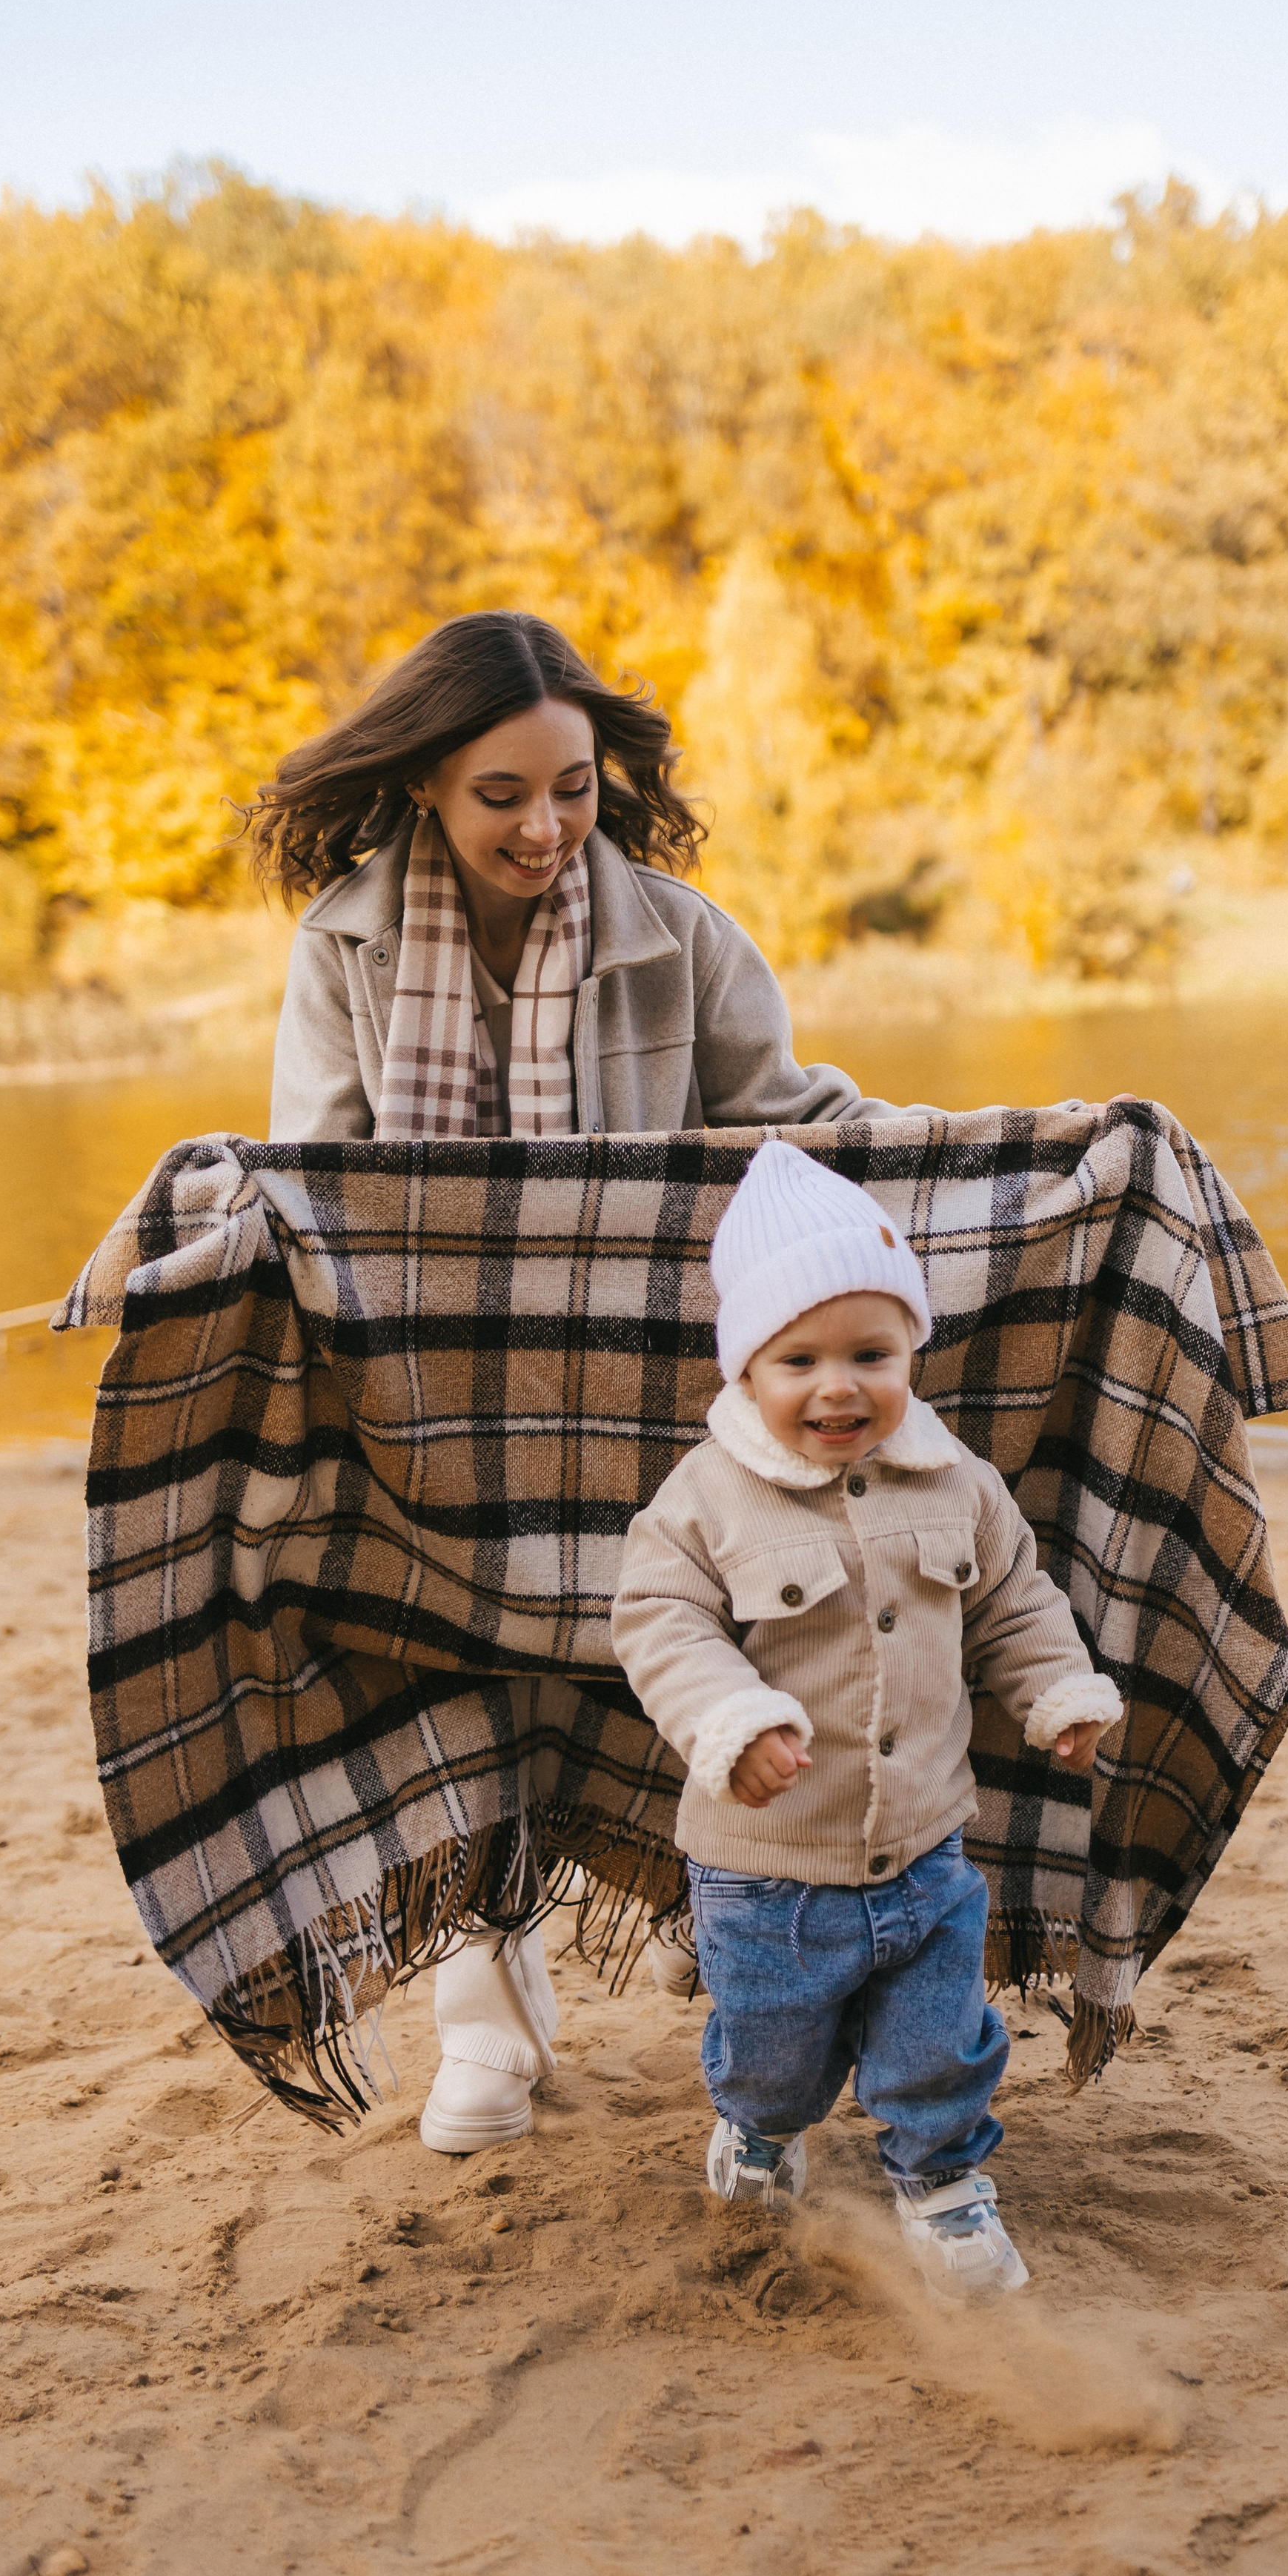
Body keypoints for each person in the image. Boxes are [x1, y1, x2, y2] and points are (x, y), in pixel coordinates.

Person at [249, 609, 908, 2155]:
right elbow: (313, 1175)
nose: (544, 828)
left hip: (650, 1402)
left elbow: (794, 1130)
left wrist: (997, 1145)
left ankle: (751, 1957)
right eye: (502, 795)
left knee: (699, 1675)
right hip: (437, 1406)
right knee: (451, 1675)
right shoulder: (339, 947)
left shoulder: (681, 937)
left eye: (574, 790)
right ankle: (484, 2017)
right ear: (423, 782)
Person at [608, 1139, 1123, 2297]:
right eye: (800, 1358)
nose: (839, 1386)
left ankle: (941, 2179)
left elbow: (1013, 1604)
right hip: (768, 1866)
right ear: (748, 1367)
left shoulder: (959, 1485)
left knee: (938, 2043)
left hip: (926, 1852)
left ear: (911, 1355)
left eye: (871, 1354)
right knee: (776, 2050)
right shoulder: (706, 1498)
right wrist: (733, 1721)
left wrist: (1056, 1694)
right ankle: (759, 2131)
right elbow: (659, 1624)